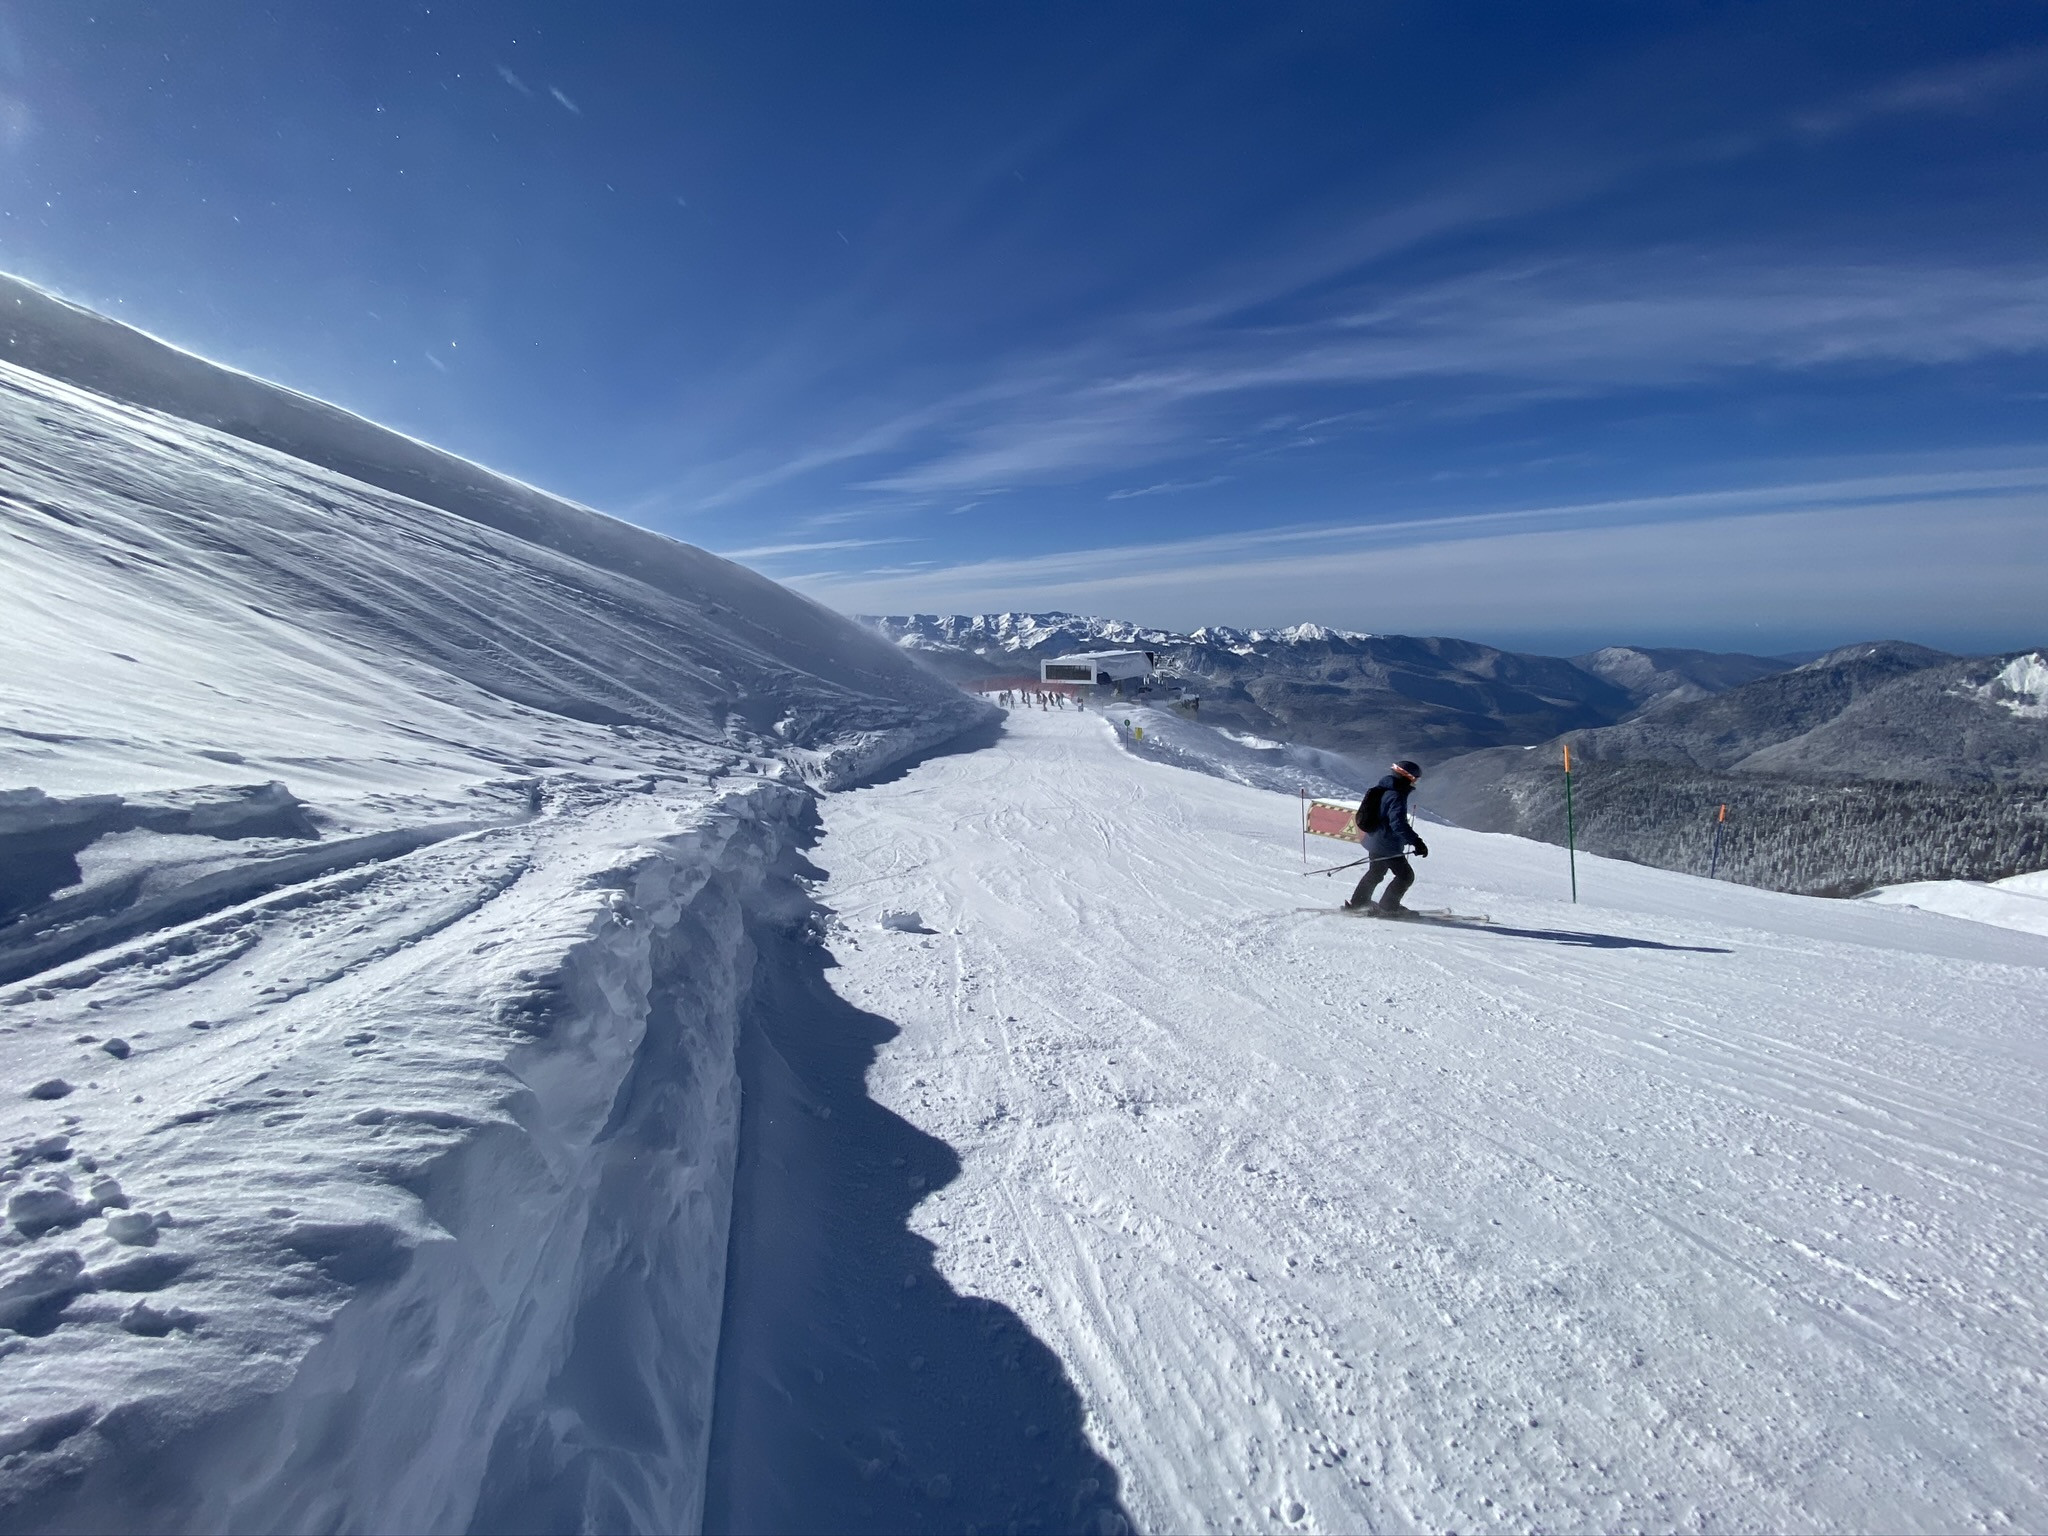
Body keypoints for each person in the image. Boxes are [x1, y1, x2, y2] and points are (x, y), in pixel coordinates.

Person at [1344, 759, 1429, 916]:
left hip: (1373, 841)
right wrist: (1417, 842)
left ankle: (1358, 903)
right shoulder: (1396, 795)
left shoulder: (1384, 788)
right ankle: (1389, 906)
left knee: (1376, 873)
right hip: (1387, 845)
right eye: (1415, 779)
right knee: (1405, 876)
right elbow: (1398, 824)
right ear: (1408, 777)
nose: (1415, 783)